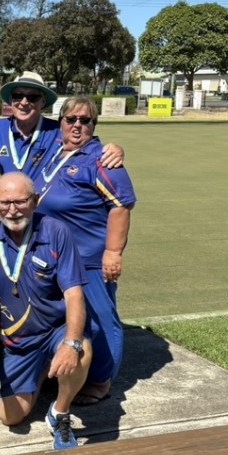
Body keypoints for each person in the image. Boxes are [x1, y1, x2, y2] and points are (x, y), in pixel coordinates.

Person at [0, 172, 91, 449]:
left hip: (55, 329)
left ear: (35, 200)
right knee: (10, 418)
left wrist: (70, 343)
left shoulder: (57, 232)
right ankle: (45, 369)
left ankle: (59, 411)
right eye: (4, 203)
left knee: (81, 351)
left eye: (20, 202)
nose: (12, 209)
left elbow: (74, 294)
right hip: (20, 342)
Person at [35, 96, 136, 406]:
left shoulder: (101, 159)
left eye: (86, 120)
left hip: (88, 258)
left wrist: (113, 252)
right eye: (71, 119)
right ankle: (70, 370)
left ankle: (101, 381)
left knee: (99, 320)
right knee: (67, 318)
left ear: (94, 125)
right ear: (60, 123)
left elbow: (121, 205)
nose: (77, 125)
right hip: (53, 257)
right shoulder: (53, 148)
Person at [0, 71, 125, 182]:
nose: (24, 102)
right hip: (6, 210)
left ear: (43, 102)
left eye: (33, 97)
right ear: (11, 99)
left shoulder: (57, 130)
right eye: (18, 96)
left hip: (41, 211)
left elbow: (85, 143)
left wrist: (114, 149)